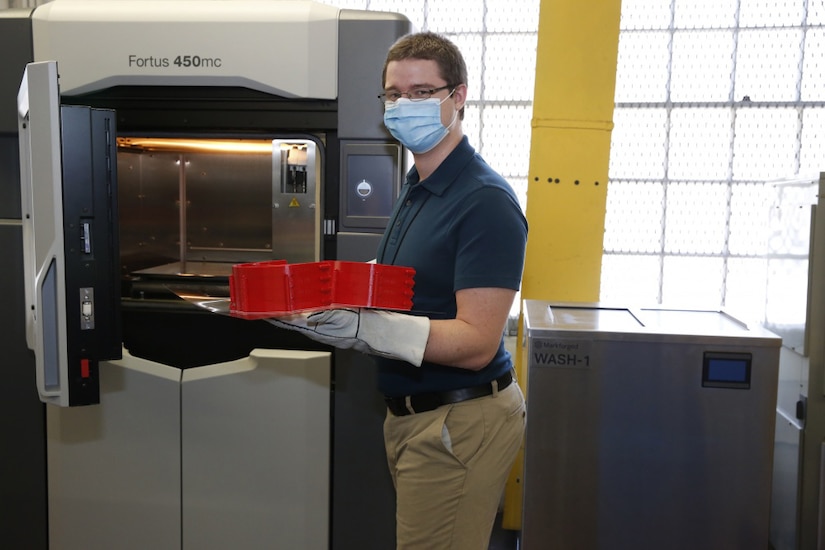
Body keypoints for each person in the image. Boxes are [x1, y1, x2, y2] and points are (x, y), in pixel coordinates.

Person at [271, 31, 528, 550]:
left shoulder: (484, 201)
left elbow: (477, 341)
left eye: (421, 92)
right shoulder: (418, 185)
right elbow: (405, 279)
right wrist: (330, 292)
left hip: (459, 421)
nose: (402, 105)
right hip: (417, 416)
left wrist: (366, 328)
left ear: (458, 97)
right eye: (393, 94)